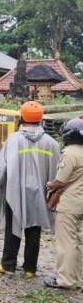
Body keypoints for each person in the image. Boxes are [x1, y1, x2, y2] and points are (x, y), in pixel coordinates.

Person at [0, 101, 60, 278]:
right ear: (40, 119)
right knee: (34, 231)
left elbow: (2, 165)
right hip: (39, 194)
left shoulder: (13, 140)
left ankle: (8, 266)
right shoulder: (51, 143)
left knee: (13, 228)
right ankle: (30, 269)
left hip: (15, 191)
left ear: (22, 117)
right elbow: (56, 170)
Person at [44, 118, 83, 289]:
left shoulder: (69, 153)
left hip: (69, 204)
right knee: (80, 242)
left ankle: (65, 280)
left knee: (66, 243)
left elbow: (61, 180)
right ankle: (78, 279)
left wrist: (49, 185)